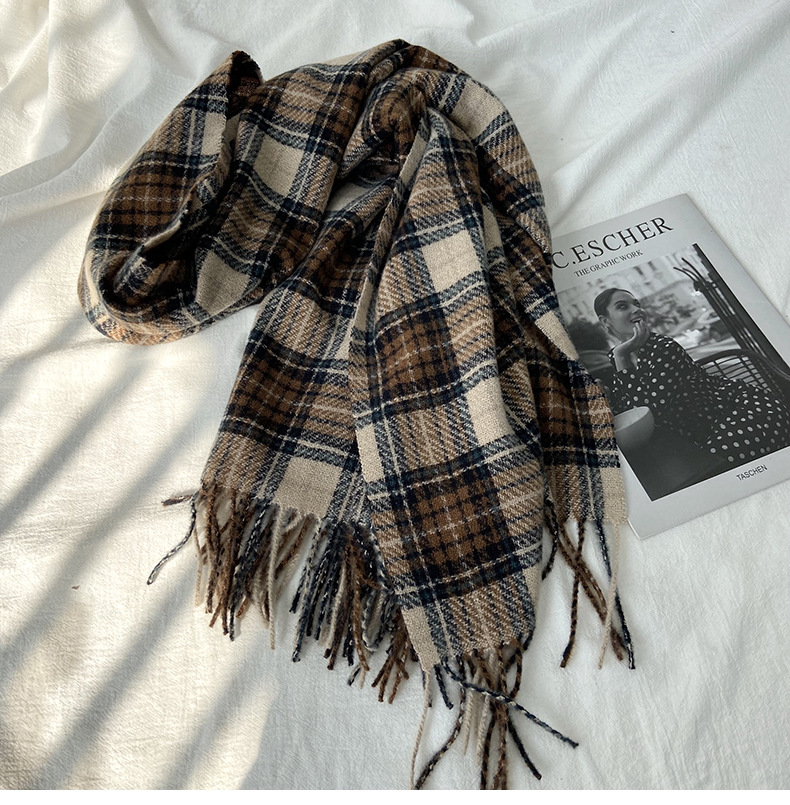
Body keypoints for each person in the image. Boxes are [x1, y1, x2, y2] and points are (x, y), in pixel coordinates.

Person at [593, 287, 790, 465]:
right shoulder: (617, 356)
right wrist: (607, 398)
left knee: (713, 465)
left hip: (743, 411)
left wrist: (621, 356)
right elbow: (630, 410)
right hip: (705, 430)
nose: (636, 309)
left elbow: (649, 413)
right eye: (623, 306)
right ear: (605, 321)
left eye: (637, 304)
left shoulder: (663, 347)